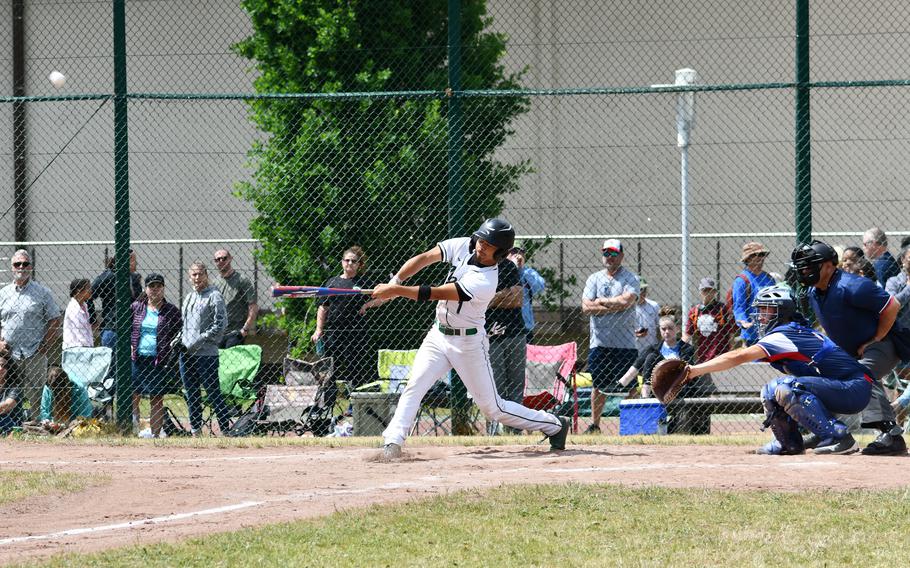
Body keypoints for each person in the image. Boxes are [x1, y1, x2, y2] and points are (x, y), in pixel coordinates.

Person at [371, 218, 568, 460]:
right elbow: (424, 258)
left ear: (501, 252)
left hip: (469, 344)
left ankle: (554, 424)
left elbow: (436, 293)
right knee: (415, 385)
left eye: (489, 244)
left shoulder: (485, 280)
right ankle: (393, 442)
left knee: (493, 408)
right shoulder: (464, 245)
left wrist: (395, 292)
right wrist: (395, 282)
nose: (481, 246)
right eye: (482, 240)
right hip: (438, 335)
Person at [688, 286, 871, 455]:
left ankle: (840, 437)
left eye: (765, 309)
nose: (759, 316)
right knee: (770, 391)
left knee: (786, 387)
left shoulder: (783, 335)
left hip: (854, 388)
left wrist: (693, 371)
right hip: (842, 387)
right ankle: (788, 443)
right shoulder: (788, 334)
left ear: (781, 311)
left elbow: (738, 356)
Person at [791, 240, 910, 455]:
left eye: (809, 265)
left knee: (861, 375)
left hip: (884, 343)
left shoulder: (852, 285)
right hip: (851, 349)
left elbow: (892, 305)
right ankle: (826, 431)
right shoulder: (814, 292)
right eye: (802, 266)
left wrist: (877, 336)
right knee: (825, 377)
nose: (804, 270)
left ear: (828, 266)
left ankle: (891, 436)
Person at [581, 238, 640, 434]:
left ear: (621, 256)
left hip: (625, 345)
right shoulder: (594, 279)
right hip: (600, 343)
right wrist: (614, 305)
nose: (609, 257)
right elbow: (586, 306)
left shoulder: (630, 278)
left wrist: (601, 301)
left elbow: (627, 302)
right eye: (606, 253)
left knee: (631, 386)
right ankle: (595, 425)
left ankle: (629, 424)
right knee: (599, 386)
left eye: (614, 253)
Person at [0, 250, 61, 421]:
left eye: (25, 264)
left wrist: (45, 344)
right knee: (8, 392)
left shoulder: (42, 292)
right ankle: (11, 426)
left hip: (34, 352)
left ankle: (35, 426)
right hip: (8, 355)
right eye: (17, 264)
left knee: (36, 393)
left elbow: (55, 319)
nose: (21, 267)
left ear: (31, 267)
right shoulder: (3, 293)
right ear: (12, 268)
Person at [311, 246, 381, 393]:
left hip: (356, 332)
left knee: (354, 367)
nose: (349, 263)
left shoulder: (364, 282)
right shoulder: (332, 282)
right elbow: (323, 307)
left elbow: (384, 297)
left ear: (359, 264)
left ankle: (354, 405)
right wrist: (319, 329)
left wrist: (367, 305)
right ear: (342, 262)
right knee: (330, 368)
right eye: (346, 260)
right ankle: (328, 402)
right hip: (333, 332)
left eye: (353, 261)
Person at [180, 262, 229, 436]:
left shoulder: (214, 296)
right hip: (186, 354)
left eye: (200, 274)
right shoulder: (188, 297)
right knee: (191, 394)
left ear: (206, 275)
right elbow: (184, 325)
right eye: (193, 274)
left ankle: (225, 430)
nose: (197, 278)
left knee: (213, 393)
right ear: (189, 276)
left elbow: (220, 325)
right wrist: (179, 340)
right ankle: (195, 431)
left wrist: (199, 340)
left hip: (206, 354)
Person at [131, 273, 182, 438]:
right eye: (151, 286)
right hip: (137, 359)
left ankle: (155, 435)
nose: (155, 290)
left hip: (158, 361)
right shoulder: (137, 307)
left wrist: (170, 348)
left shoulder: (171, 311)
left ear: (163, 288)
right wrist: (130, 344)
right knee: (134, 396)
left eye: (158, 286)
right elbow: (126, 329)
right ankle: (133, 430)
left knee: (156, 398)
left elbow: (179, 332)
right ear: (145, 289)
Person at [485, 252, 526, 432]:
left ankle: (515, 430)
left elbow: (518, 299)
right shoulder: (478, 268)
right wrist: (504, 294)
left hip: (515, 332)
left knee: (516, 385)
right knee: (496, 386)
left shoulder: (508, 266)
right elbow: (477, 301)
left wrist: (490, 298)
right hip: (490, 336)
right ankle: (495, 432)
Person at [89, 249, 143, 351]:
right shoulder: (107, 276)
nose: (136, 263)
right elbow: (88, 297)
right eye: (134, 260)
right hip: (112, 329)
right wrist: (93, 319)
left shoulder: (134, 278)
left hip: (132, 328)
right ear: (126, 261)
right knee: (113, 363)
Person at [212, 249, 258, 349]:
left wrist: (245, 329)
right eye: (217, 259)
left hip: (235, 333)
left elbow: (253, 307)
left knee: (231, 362)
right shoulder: (214, 283)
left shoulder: (242, 280)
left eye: (224, 258)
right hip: (217, 333)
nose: (221, 261)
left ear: (230, 259)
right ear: (215, 262)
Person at [731, 242, 776, 346]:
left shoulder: (769, 279)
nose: (760, 258)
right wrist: (743, 322)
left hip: (770, 332)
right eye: (756, 255)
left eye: (762, 255)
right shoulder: (742, 280)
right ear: (748, 259)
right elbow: (739, 306)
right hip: (752, 335)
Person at [683, 277, 735, 363]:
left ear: (715, 292)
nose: (708, 293)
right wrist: (679, 347)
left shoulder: (722, 309)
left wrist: (730, 352)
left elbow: (731, 332)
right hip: (701, 356)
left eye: (711, 290)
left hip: (720, 355)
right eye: (705, 290)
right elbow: (688, 334)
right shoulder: (695, 311)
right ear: (700, 292)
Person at [506, 247, 546, 343]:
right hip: (503, 326)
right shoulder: (500, 270)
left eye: (520, 253)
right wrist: (511, 267)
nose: (517, 255)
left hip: (524, 326)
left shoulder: (528, 271)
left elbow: (540, 286)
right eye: (513, 252)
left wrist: (521, 269)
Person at [62, 279, 94, 350]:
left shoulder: (84, 306)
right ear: (78, 291)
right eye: (88, 288)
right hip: (75, 348)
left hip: (84, 348)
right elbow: (80, 331)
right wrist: (89, 349)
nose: (91, 291)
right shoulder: (73, 308)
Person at [634, 278, 660, 355]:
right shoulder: (628, 307)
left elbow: (660, 327)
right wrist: (634, 334)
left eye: (644, 289)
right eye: (640, 289)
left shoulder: (653, 305)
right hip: (633, 349)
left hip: (651, 348)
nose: (643, 292)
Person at [0, 358, 24, 434]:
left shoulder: (15, 386)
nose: (1, 369)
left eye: (4, 366)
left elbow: (7, 405)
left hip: (10, 421)